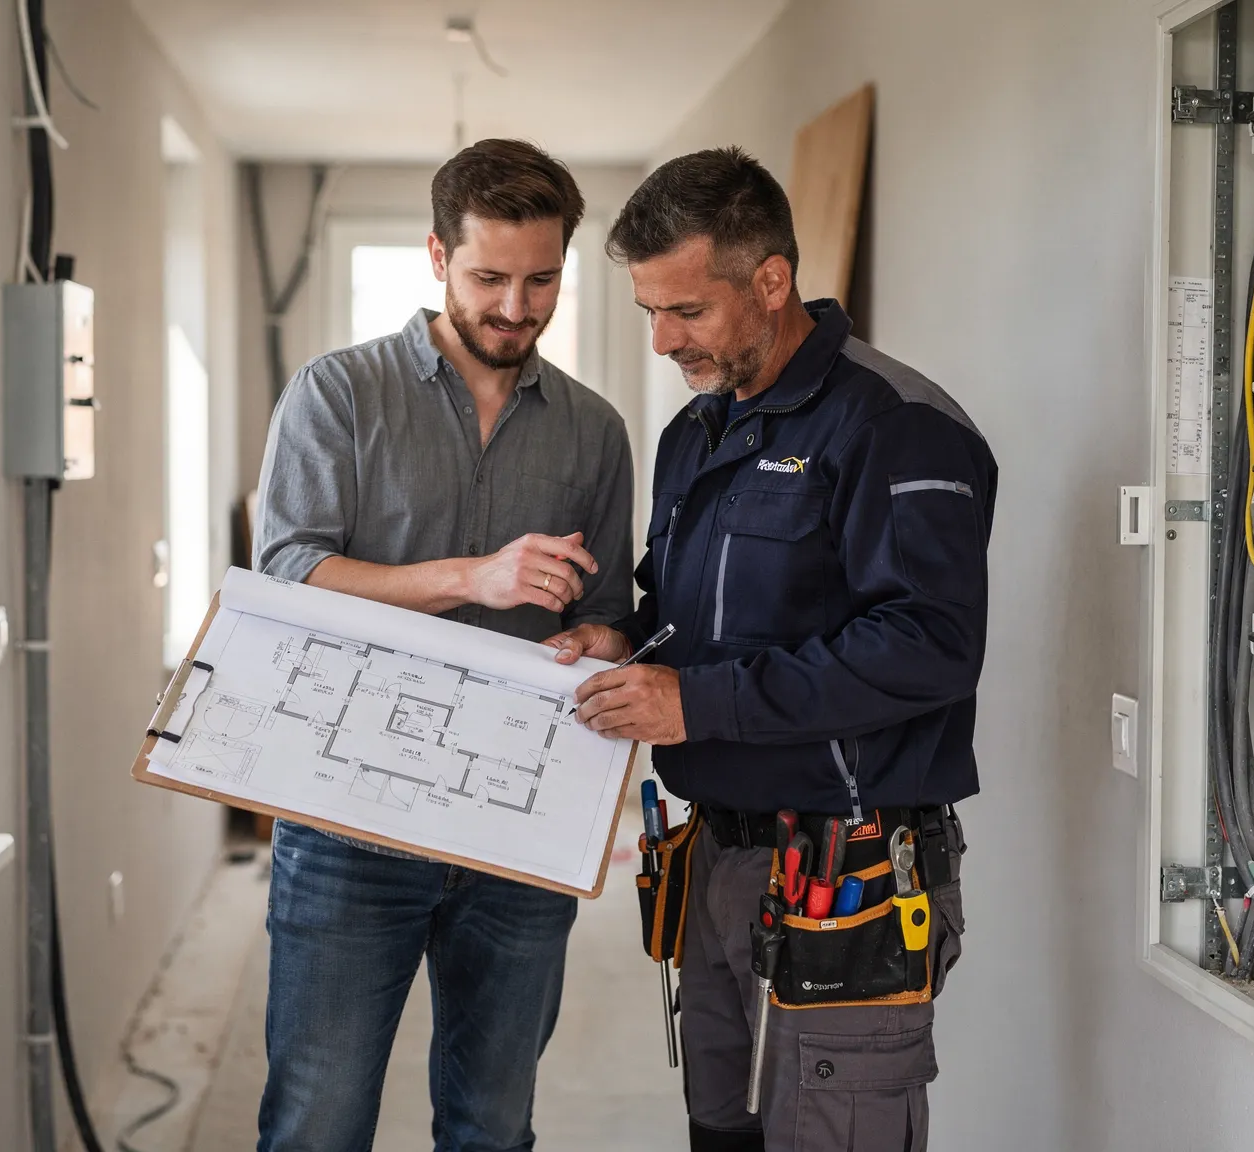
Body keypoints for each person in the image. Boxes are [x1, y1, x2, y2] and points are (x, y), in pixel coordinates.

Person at [545, 147, 996, 1152]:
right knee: (722, 1132)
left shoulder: (897, 426)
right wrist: (618, 638)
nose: (661, 339)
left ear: (771, 280)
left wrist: (697, 705)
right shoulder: (697, 433)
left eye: (686, 311)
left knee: (827, 1132)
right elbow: (693, 611)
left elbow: (928, 647)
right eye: (647, 312)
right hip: (717, 854)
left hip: (851, 863)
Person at [250, 138, 635, 1152]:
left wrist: (600, 637)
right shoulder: (336, 395)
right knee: (315, 1125)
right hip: (346, 826)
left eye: (541, 279)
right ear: (435, 256)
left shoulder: (593, 432)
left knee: (492, 1126)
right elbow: (286, 578)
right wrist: (475, 576)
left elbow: (607, 615)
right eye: (488, 279)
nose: (516, 307)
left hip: (520, 829)